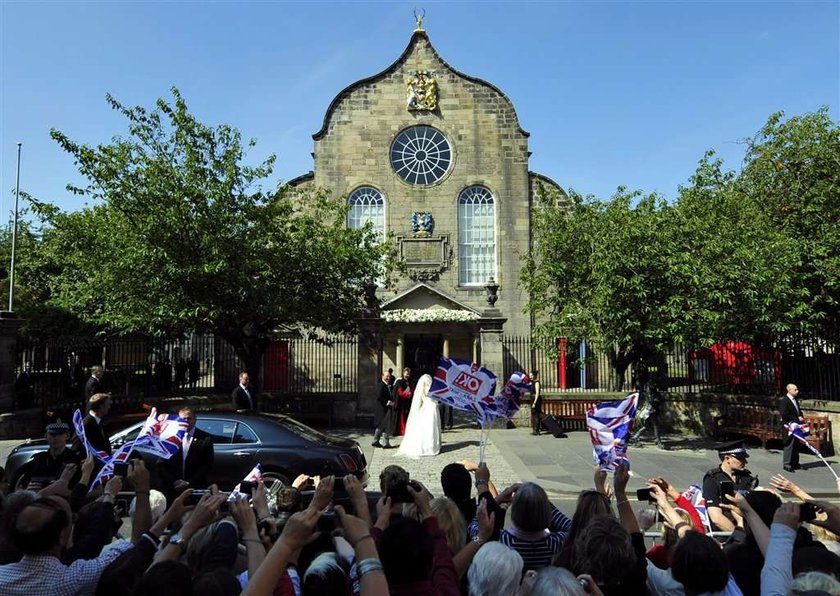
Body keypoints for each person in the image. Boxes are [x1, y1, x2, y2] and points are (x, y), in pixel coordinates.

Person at [0, 495, 134, 594]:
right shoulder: (72, 579)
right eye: (72, 519)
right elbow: (136, 541)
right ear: (62, 535)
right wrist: (142, 488)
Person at [158, 406, 214, 503]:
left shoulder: (205, 438)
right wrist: (174, 482)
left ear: (195, 420)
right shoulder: (169, 437)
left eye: (189, 418)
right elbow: (161, 463)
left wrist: (189, 482)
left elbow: (207, 465)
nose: (186, 421)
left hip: (194, 488)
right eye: (183, 419)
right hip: (172, 489)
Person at [701, 440, 759, 532]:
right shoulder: (712, 479)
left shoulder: (747, 479)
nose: (745, 461)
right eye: (741, 458)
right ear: (727, 458)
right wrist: (738, 536)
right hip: (725, 534)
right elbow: (716, 518)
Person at [25, 421, 82, 489]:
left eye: (60, 434)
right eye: (52, 434)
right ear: (46, 436)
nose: (56, 438)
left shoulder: (74, 459)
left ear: (67, 436)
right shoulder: (39, 459)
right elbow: (26, 482)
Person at [397, 373, 441, 457]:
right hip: (429, 408)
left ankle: (433, 445)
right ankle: (429, 446)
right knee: (429, 427)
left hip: (432, 407)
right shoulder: (425, 389)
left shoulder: (430, 387)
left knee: (432, 426)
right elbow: (422, 398)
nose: (429, 383)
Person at [780, 383, 805, 472]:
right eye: (795, 390)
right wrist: (796, 418)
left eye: (797, 389)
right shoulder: (784, 401)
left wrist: (801, 415)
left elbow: (798, 411)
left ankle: (795, 463)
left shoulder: (795, 400)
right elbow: (784, 414)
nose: (797, 391)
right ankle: (787, 464)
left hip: (796, 425)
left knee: (796, 445)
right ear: (789, 390)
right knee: (789, 444)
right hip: (788, 426)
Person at [372, 371, 396, 449]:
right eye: (386, 376)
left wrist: (391, 401)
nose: (388, 378)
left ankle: (380, 442)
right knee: (384, 425)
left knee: (385, 425)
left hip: (387, 409)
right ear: (382, 376)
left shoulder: (388, 385)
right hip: (382, 409)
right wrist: (387, 402)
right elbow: (379, 397)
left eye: (389, 376)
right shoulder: (381, 385)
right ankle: (380, 442)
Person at [393, 367, 413, 436]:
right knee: (401, 418)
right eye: (406, 374)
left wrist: (411, 394)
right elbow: (399, 392)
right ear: (403, 373)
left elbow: (412, 390)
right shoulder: (399, 381)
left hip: (407, 403)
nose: (407, 375)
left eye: (408, 374)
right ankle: (402, 431)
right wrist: (407, 394)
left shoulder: (410, 382)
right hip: (400, 403)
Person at [530, 370, 542, 435]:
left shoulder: (537, 382)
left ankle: (537, 430)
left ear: (534, 376)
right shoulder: (533, 382)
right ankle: (534, 429)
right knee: (533, 414)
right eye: (530, 375)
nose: (530, 377)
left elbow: (537, 393)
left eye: (531, 375)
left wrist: (535, 402)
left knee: (537, 414)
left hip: (536, 399)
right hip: (532, 398)